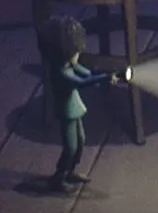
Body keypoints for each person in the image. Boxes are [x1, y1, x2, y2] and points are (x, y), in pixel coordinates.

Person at [36, 15, 123, 193]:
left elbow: (87, 73)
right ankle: (58, 178)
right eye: (75, 53)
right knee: (70, 147)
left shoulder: (69, 66)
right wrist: (104, 77)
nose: (78, 55)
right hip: (67, 112)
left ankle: (71, 171)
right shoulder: (61, 73)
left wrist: (106, 74)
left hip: (74, 109)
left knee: (81, 141)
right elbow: (82, 82)